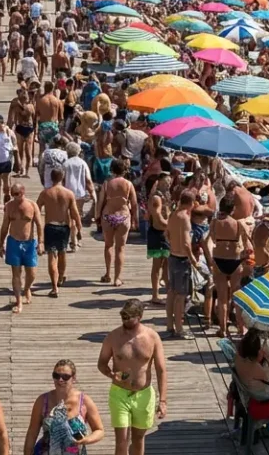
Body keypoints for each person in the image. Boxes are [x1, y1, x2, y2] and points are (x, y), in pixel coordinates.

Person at [97, 300, 167, 455]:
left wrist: (163, 400)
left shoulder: (152, 337)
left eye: (129, 318)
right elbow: (101, 363)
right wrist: (111, 374)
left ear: (140, 316)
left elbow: (161, 370)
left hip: (144, 394)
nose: (125, 321)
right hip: (120, 393)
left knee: (138, 441)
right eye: (123, 317)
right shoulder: (113, 337)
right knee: (121, 441)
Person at [21, 360, 105, 455]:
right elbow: (32, 432)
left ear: (73, 378)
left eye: (65, 377)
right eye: (56, 376)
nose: (60, 380)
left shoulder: (84, 401)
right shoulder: (42, 401)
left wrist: (87, 439)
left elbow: (99, 430)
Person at [209, 195, 253, 338]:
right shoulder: (238, 224)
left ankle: (223, 329)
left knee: (222, 298)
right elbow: (247, 246)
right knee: (236, 297)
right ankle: (241, 328)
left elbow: (210, 240)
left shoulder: (214, 223)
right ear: (233, 209)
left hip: (219, 259)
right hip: (234, 260)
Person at [0, 182, 42, 313]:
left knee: (32, 273)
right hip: (14, 242)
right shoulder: (9, 206)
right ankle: (18, 302)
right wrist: (1, 243)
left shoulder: (32, 205)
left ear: (23, 192)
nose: (14, 197)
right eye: (12, 194)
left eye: (17, 194)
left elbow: (39, 224)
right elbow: (5, 226)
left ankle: (27, 288)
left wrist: (41, 242)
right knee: (16, 274)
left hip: (29, 243)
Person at [36, 167, 79, 297]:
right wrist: (79, 229)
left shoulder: (45, 193)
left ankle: (54, 287)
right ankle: (60, 278)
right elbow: (75, 214)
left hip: (50, 226)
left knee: (52, 256)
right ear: (63, 177)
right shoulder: (69, 193)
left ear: (51, 178)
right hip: (64, 227)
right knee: (63, 252)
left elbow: (36, 210)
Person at [164, 190, 200, 340]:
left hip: (172, 257)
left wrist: (173, 245)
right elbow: (186, 242)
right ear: (191, 203)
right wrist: (193, 259)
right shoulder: (184, 218)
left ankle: (170, 325)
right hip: (181, 260)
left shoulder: (173, 215)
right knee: (181, 296)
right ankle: (179, 329)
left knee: (171, 292)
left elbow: (166, 234)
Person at [96, 158, 136, 287]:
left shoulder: (107, 184)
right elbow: (134, 204)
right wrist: (135, 220)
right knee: (120, 248)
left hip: (108, 216)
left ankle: (107, 273)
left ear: (112, 169)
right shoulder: (129, 184)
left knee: (108, 245)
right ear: (124, 170)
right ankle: (117, 278)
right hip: (123, 217)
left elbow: (100, 202)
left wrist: (97, 216)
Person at [61, 143, 95, 252]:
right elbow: (88, 180)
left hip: (67, 193)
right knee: (77, 215)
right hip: (80, 193)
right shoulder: (82, 163)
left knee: (70, 217)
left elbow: (62, 180)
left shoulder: (65, 164)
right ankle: (76, 237)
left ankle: (73, 239)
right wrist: (92, 192)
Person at [144, 176, 171, 306]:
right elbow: (157, 215)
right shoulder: (156, 198)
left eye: (170, 181)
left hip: (165, 234)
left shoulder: (166, 195)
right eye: (166, 181)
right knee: (157, 266)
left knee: (166, 265)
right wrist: (169, 226)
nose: (168, 183)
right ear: (159, 182)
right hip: (158, 234)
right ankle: (155, 295)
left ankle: (168, 293)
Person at [36, 81, 64, 153]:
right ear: (52, 89)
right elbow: (61, 117)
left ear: (45, 88)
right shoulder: (57, 101)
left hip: (43, 125)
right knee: (55, 148)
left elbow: (37, 114)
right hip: (53, 125)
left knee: (42, 149)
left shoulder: (40, 100)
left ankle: (41, 163)